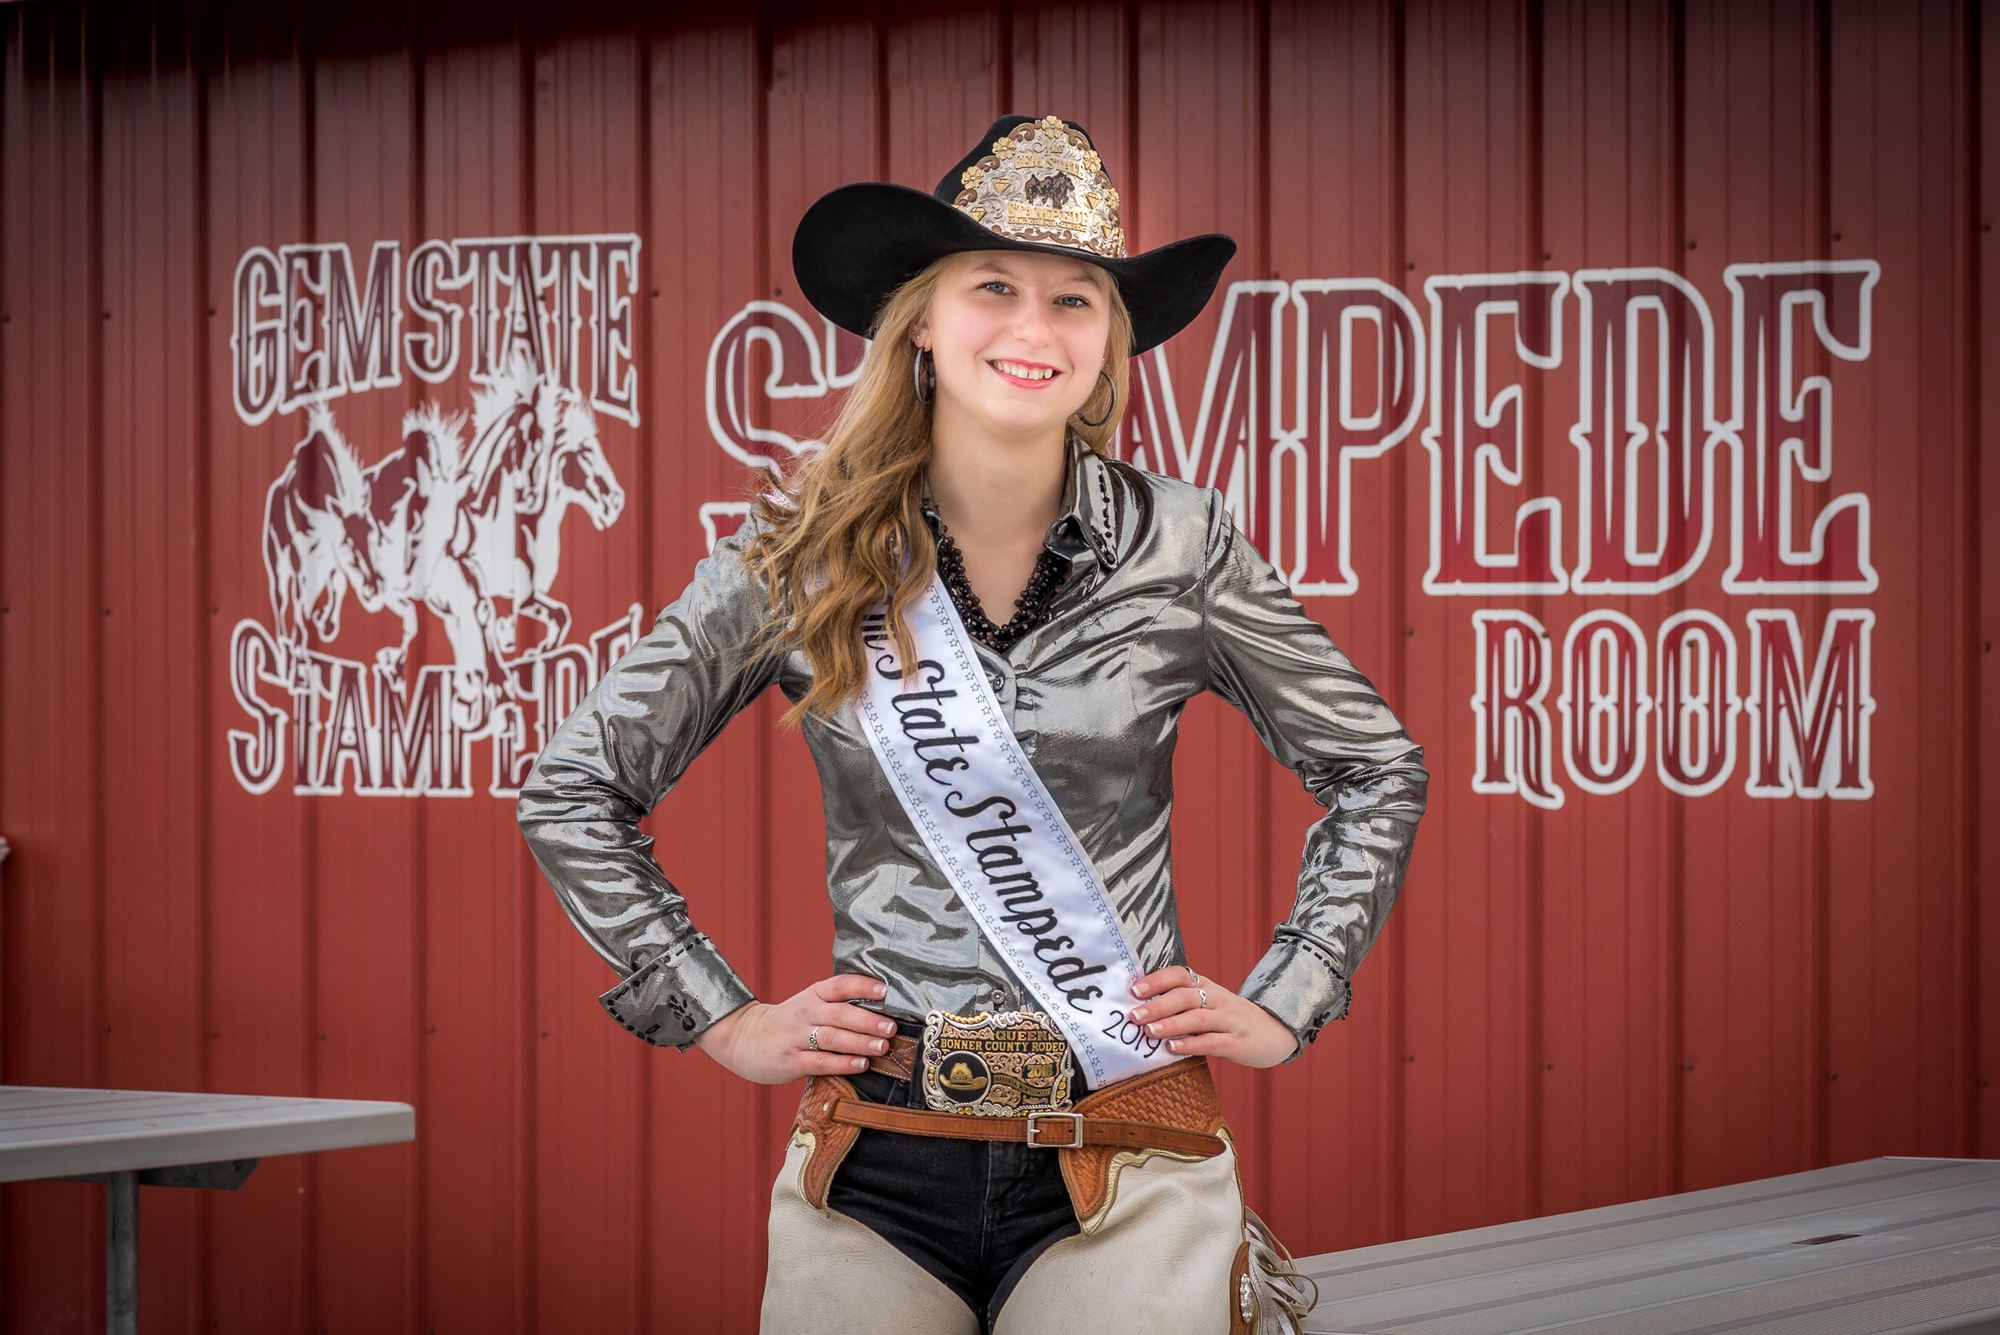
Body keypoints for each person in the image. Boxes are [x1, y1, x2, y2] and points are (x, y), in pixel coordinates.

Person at [516, 113, 1429, 1335]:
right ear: (922, 325)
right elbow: (572, 788)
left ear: (1108, 348)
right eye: (992, 287)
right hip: (872, 1157)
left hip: (1128, 1147)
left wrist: (1291, 991)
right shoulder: (795, 556)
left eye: (1075, 300)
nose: (1033, 329)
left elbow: (1372, 765)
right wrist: (718, 1014)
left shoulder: (1184, 543)